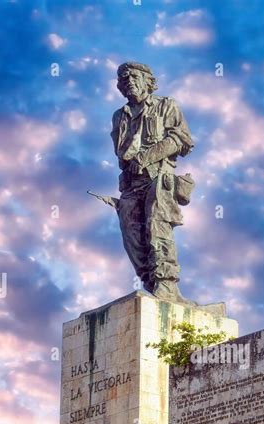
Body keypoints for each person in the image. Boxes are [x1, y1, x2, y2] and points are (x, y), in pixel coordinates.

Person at [111, 62, 195, 302]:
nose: (129, 81)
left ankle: (166, 284)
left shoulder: (166, 105)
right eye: (124, 79)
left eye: (134, 76)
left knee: (157, 227)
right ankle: (150, 281)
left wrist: (146, 157)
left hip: (158, 176)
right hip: (131, 182)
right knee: (131, 234)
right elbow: (120, 153)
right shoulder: (120, 116)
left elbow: (182, 140)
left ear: (149, 81)